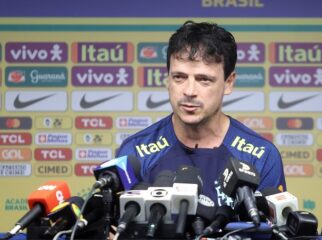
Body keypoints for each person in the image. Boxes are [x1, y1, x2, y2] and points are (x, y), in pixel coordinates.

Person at [116, 20, 286, 206]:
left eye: (204, 80)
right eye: (179, 77)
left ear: (228, 83)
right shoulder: (134, 152)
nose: (189, 91)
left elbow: (268, 232)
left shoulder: (261, 156)